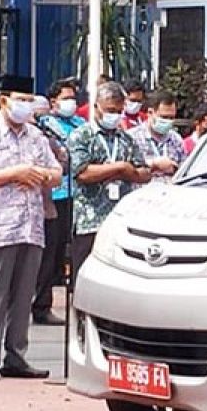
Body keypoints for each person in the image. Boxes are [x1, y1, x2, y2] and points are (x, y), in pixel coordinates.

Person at [0, 88, 60, 380]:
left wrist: (41, 175)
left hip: (31, 225)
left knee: (23, 295)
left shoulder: (37, 136)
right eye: (21, 100)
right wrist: (14, 173)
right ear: (4, 100)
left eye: (31, 100)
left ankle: (16, 356)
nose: (26, 106)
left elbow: (56, 172)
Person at [67, 82, 150, 273]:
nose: (114, 115)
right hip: (90, 220)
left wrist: (131, 173)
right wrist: (120, 167)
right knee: (85, 274)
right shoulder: (82, 136)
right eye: (109, 110)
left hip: (121, 219)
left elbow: (144, 173)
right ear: (96, 107)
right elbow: (82, 173)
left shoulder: (126, 139)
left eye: (118, 111)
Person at [32, 78, 83, 325]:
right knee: (49, 252)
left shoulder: (80, 123)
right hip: (55, 195)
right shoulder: (47, 126)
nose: (70, 102)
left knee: (70, 249)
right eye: (65, 98)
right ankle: (40, 304)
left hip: (78, 194)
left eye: (73, 97)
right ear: (53, 102)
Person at [128, 90, 186, 185]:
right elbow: (127, 171)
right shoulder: (132, 138)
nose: (168, 121)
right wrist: (153, 164)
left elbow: (184, 171)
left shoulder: (176, 139)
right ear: (150, 113)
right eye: (164, 117)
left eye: (171, 118)